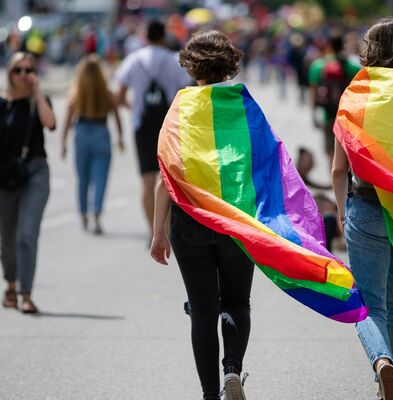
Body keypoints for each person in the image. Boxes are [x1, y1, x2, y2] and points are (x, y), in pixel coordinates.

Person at [150, 30, 252, 400]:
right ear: (230, 65)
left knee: (203, 310)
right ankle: (233, 371)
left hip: (189, 223)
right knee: (237, 302)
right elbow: (265, 164)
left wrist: (159, 232)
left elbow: (166, 174)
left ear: (191, 65)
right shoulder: (242, 104)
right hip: (235, 220)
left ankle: (211, 394)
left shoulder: (181, 106)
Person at [331, 19, 393, 400]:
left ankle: (381, 362)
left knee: (370, 305)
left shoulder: (356, 95)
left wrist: (342, 213)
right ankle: (390, 383)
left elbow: (339, 169)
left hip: (366, 208)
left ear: (369, 51)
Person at [0, 52, 56, 314]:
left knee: (27, 235)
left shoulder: (38, 102)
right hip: (3, 175)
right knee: (6, 237)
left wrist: (38, 91)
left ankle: (26, 293)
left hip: (35, 173)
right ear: (9, 73)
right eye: (17, 70)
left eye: (28, 70)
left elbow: (51, 123)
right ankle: (11, 283)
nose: (23, 75)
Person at [114, 20, 192, 238]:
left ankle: (152, 231)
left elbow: (119, 96)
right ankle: (166, 229)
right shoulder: (174, 60)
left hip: (142, 126)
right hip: (169, 125)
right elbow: (186, 92)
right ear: (163, 37)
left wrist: (136, 108)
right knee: (168, 179)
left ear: (145, 37)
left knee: (147, 182)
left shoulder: (134, 59)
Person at [60, 54, 124, 234]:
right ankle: (96, 213)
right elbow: (117, 116)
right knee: (100, 178)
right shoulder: (106, 92)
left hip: (81, 133)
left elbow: (66, 120)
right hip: (101, 132)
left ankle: (83, 214)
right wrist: (120, 138)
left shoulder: (76, 93)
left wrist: (63, 143)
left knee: (83, 179)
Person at [308, 34, 360, 160]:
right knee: (348, 150)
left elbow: (313, 92)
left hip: (328, 114)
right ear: (343, 46)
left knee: (330, 151)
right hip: (348, 116)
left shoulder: (318, 65)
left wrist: (313, 115)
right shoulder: (352, 66)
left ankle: (332, 178)